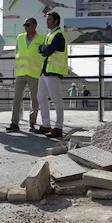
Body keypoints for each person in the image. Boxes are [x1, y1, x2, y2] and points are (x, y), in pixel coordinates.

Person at [34, 11, 68, 139]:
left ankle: (58, 128)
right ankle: (46, 125)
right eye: (47, 19)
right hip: (45, 71)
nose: (46, 21)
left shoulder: (59, 34)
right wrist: (44, 49)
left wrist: (44, 48)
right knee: (41, 97)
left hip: (54, 71)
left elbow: (47, 50)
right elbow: (43, 49)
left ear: (56, 21)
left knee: (56, 99)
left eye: (49, 19)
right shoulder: (50, 34)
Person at [7, 17, 42, 132]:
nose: (25, 27)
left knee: (34, 100)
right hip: (21, 73)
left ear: (35, 26)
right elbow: (17, 53)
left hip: (34, 73)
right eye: (25, 25)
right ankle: (14, 123)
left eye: (28, 25)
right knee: (17, 98)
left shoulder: (41, 39)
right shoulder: (20, 37)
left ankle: (32, 123)